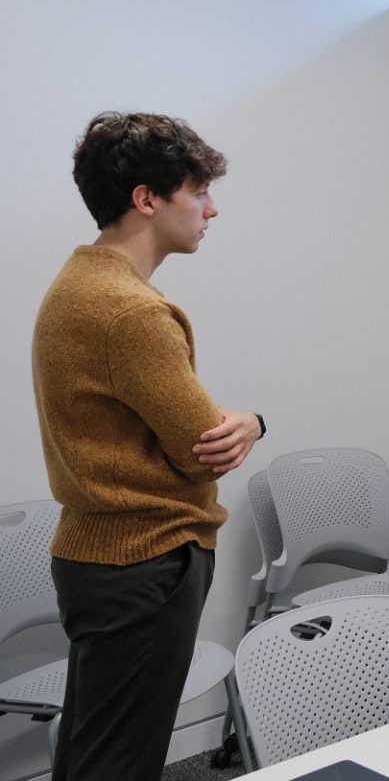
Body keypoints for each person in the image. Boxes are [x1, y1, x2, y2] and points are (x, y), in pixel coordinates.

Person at [32, 112, 265, 781]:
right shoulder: (130, 310)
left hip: (99, 554)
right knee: (121, 763)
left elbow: (168, 422)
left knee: (91, 753)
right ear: (146, 198)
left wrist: (230, 422)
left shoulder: (78, 286)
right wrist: (249, 419)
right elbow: (202, 447)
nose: (211, 208)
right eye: (197, 191)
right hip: (145, 560)